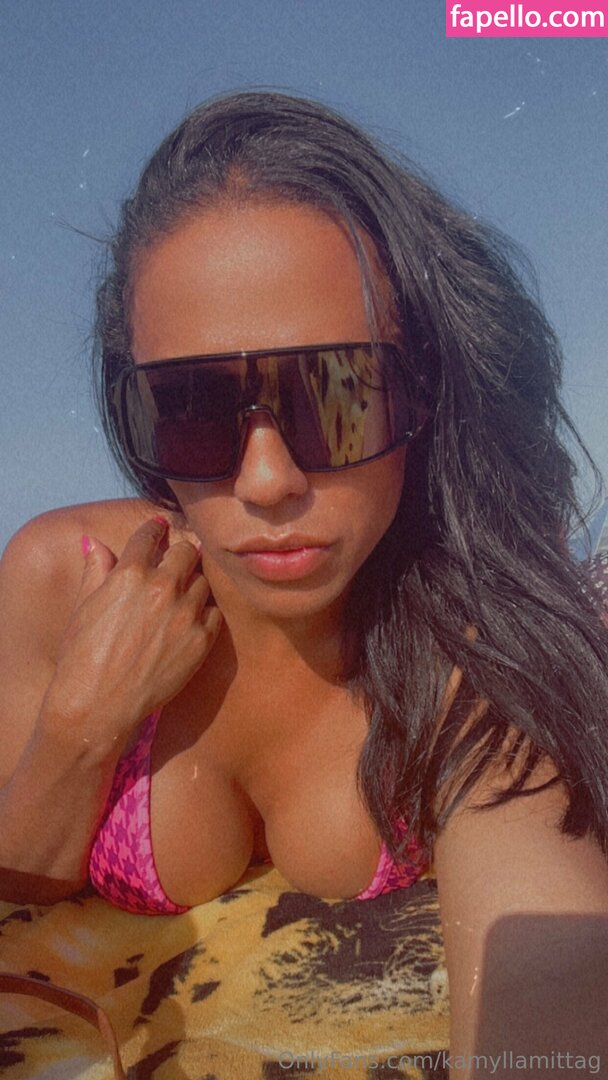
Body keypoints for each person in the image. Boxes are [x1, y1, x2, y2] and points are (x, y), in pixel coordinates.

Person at [1, 91, 607, 1071]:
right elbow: (15, 888)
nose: (267, 479)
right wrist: (80, 726)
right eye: (193, 407)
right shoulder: (66, 581)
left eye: (338, 395)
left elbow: (544, 959)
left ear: (423, 391)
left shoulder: (468, 641)